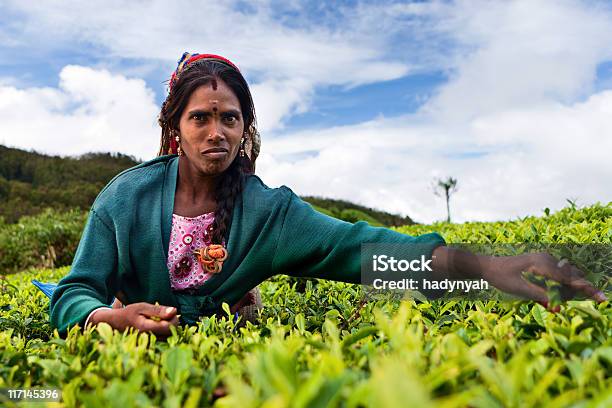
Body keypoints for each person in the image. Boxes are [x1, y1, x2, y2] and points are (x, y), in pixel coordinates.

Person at [49, 52, 607, 336]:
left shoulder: (268, 212)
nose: (215, 132)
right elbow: (75, 289)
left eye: (230, 118)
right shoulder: (125, 201)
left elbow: (366, 251)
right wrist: (104, 319)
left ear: (246, 128)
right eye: (200, 118)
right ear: (175, 128)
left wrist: (486, 269)